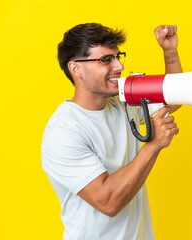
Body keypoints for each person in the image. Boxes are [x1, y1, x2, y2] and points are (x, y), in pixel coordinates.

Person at [41, 23, 182, 240]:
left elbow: (173, 97)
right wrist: (153, 146)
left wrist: (170, 51)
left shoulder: (122, 101)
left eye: (118, 56)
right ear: (75, 68)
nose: (119, 66)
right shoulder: (63, 132)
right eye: (106, 60)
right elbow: (108, 202)